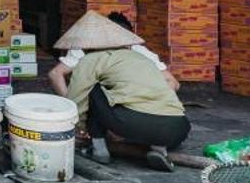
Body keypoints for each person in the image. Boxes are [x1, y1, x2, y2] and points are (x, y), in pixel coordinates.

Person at [48, 9, 189, 171]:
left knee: (92, 89)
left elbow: (76, 100)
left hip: (133, 124)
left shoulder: (91, 59)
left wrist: (78, 128)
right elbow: (172, 85)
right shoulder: (143, 59)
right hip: (179, 128)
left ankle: (99, 150)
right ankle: (158, 149)